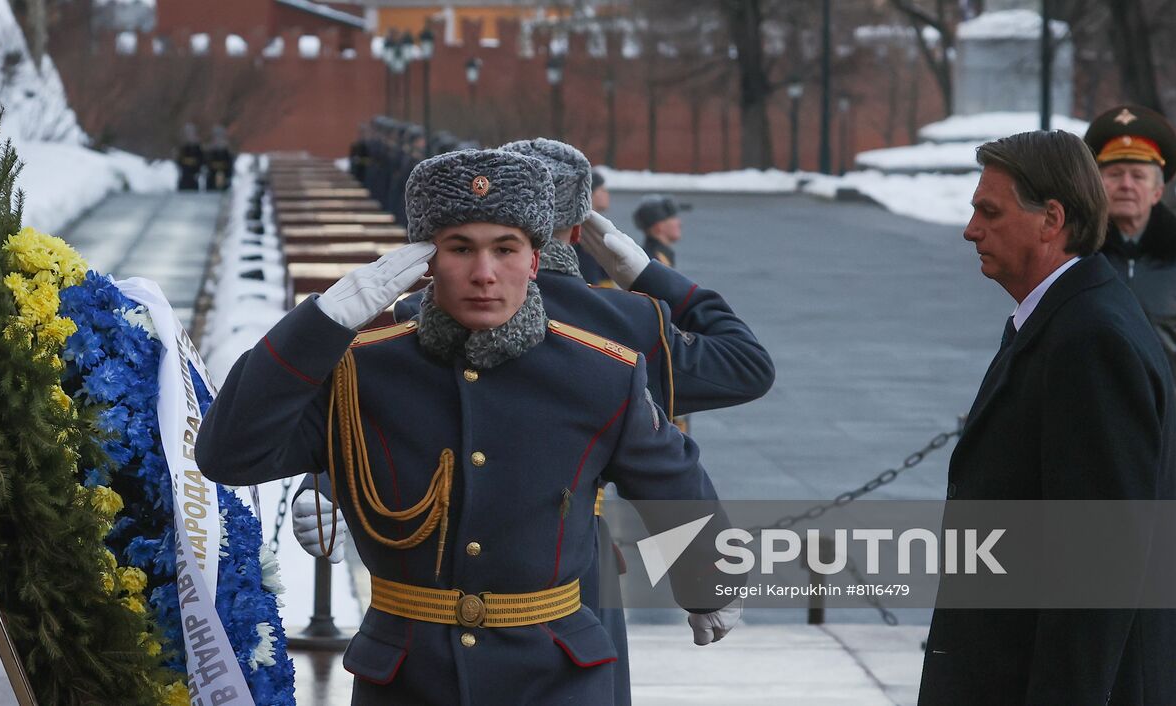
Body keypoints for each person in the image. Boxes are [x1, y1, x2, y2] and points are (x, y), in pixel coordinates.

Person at [197, 149, 742, 704]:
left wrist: (708, 584)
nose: (484, 274)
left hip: (556, 678)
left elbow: (670, 480)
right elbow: (230, 454)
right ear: (425, 261)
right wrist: (319, 325)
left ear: (535, 259)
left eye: (505, 249)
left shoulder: (601, 374)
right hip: (409, 682)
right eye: (460, 249)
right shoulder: (361, 370)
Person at [388, 137, 774, 705]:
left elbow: (363, 413)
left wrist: (321, 483)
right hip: (573, 564)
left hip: (435, 570)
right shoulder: (625, 319)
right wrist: (650, 276)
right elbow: (744, 368)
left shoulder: (421, 314)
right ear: (576, 229)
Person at [917, 130, 1176, 704]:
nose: (971, 230)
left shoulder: (1090, 339)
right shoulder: (1059, 320)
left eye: (989, 212)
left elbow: (1097, 568)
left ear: (1052, 220)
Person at [1084, 105, 1176, 489]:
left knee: (1155, 548)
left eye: (1138, 175)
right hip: (1084, 437)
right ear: (1097, 185)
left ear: (1157, 191)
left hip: (1162, 439)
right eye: (1114, 174)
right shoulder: (1076, 253)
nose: (1126, 185)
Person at [576, 168, 614, 286]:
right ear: (590, 193)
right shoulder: (584, 228)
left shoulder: (595, 226)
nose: (607, 194)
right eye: (602, 189)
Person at [633, 194, 689, 268]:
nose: (680, 223)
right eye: (673, 218)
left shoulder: (652, 256)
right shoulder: (653, 262)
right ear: (658, 227)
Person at [204, 125, 234, 192]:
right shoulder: (209, 151)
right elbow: (206, 166)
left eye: (220, 136)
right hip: (211, 183)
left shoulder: (227, 152)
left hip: (224, 183)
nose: (218, 139)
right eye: (216, 137)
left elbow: (230, 167)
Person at [176, 123, 204, 191]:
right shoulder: (182, 148)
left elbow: (201, 162)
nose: (189, 135)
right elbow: (179, 162)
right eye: (188, 133)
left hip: (194, 180)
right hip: (183, 180)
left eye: (191, 133)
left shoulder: (198, 149)